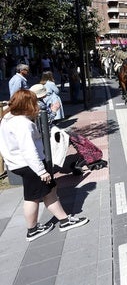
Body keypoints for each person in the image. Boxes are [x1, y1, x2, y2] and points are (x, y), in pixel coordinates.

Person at [0, 89, 88, 241]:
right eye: (34, 102)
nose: (37, 105)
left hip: (18, 163)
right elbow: (28, 150)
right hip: (30, 165)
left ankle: (45, 225)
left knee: (43, 192)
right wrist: (41, 171)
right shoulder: (22, 124)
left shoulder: (8, 118)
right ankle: (55, 224)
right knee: (39, 195)